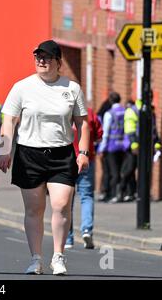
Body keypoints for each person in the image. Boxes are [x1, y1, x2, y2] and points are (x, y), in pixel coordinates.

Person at [0, 40, 89, 276]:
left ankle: (58, 256)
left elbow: (82, 123)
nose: (41, 60)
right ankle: (36, 258)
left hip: (61, 153)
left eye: (47, 57)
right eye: (38, 56)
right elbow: (9, 120)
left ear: (58, 62)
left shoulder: (72, 88)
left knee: (60, 205)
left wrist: (84, 152)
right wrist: (4, 150)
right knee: (34, 209)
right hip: (29, 154)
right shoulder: (22, 87)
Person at [65, 107, 102, 250]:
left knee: (66, 199)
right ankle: (87, 230)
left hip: (66, 160)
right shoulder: (90, 113)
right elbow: (99, 135)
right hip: (86, 159)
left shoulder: (60, 109)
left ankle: (68, 238)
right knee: (86, 196)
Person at [97, 92, 125, 204]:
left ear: (110, 101)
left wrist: (101, 148)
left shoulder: (109, 114)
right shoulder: (124, 111)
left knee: (112, 172)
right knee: (119, 170)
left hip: (111, 146)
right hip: (122, 145)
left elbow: (106, 133)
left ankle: (112, 194)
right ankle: (119, 193)